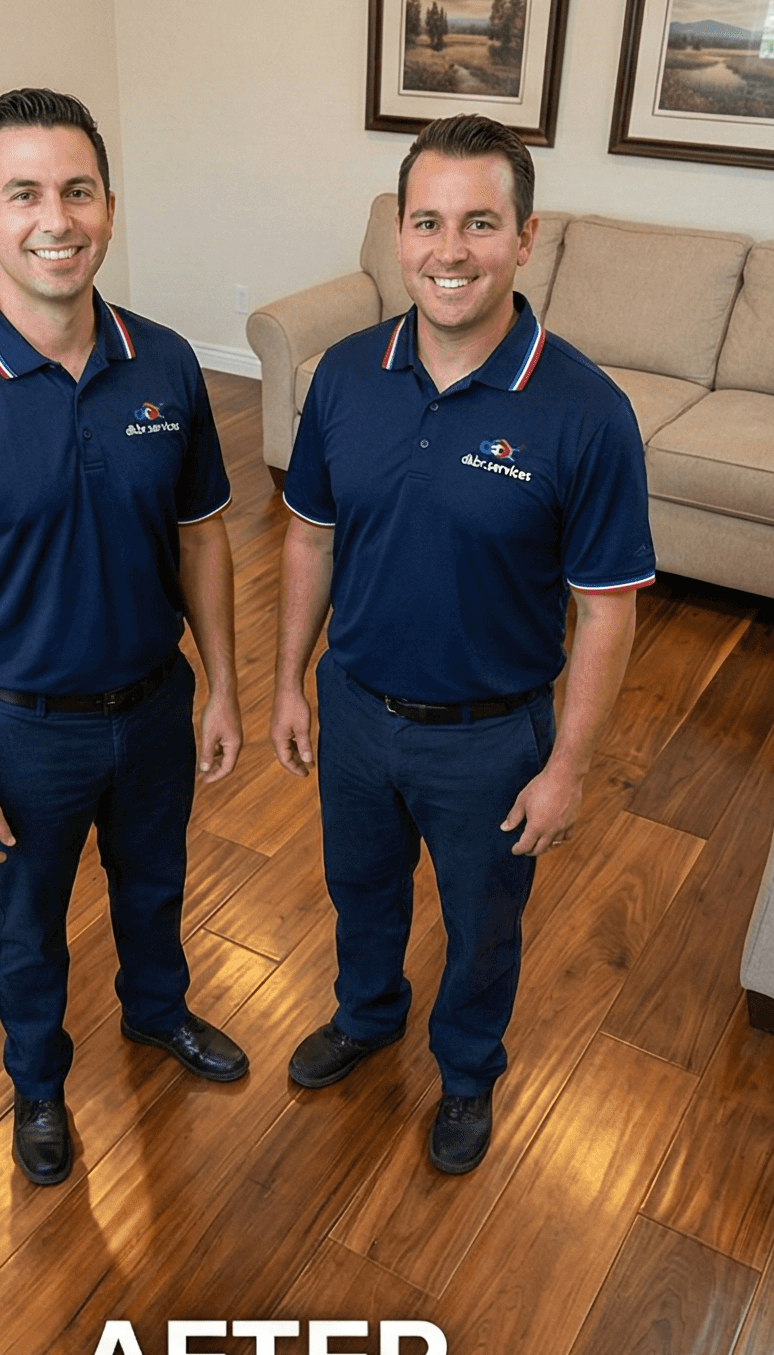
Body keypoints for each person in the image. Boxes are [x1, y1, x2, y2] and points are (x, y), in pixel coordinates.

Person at [0, 87, 244, 1187]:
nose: (54, 219)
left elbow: (204, 540)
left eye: (76, 191)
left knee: (155, 886)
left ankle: (154, 1015)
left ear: (108, 209)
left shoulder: (165, 365)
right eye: (22, 193)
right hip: (22, 732)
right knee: (28, 929)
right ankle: (36, 1083)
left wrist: (221, 686)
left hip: (155, 703)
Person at [269, 114, 653, 1175]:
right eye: (428, 222)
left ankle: (468, 1071)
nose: (449, 251)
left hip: (490, 739)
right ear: (398, 234)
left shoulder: (585, 411)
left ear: (525, 237)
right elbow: (308, 534)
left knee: (482, 927)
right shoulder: (344, 376)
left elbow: (608, 609)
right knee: (361, 889)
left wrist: (567, 768)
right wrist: (288, 683)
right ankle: (366, 1013)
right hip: (352, 707)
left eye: (479, 223)